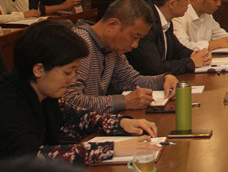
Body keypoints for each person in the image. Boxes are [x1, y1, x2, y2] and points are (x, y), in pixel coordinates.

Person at [0, 20, 159, 165]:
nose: (72, 79)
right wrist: (111, 149)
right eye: (67, 73)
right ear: (39, 70)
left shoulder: (44, 94)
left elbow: (75, 119)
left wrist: (120, 123)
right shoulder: (7, 103)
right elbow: (34, 157)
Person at [62, 0, 179, 113]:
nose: (135, 45)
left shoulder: (111, 48)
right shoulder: (79, 45)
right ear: (112, 25)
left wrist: (163, 79)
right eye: (135, 37)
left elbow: (130, 81)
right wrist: (124, 101)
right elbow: (70, 101)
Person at [126, 0, 211, 75]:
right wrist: (191, 62)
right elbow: (156, 68)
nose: (189, 2)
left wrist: (196, 55)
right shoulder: (146, 22)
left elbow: (176, 49)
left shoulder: (165, 18)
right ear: (172, 4)